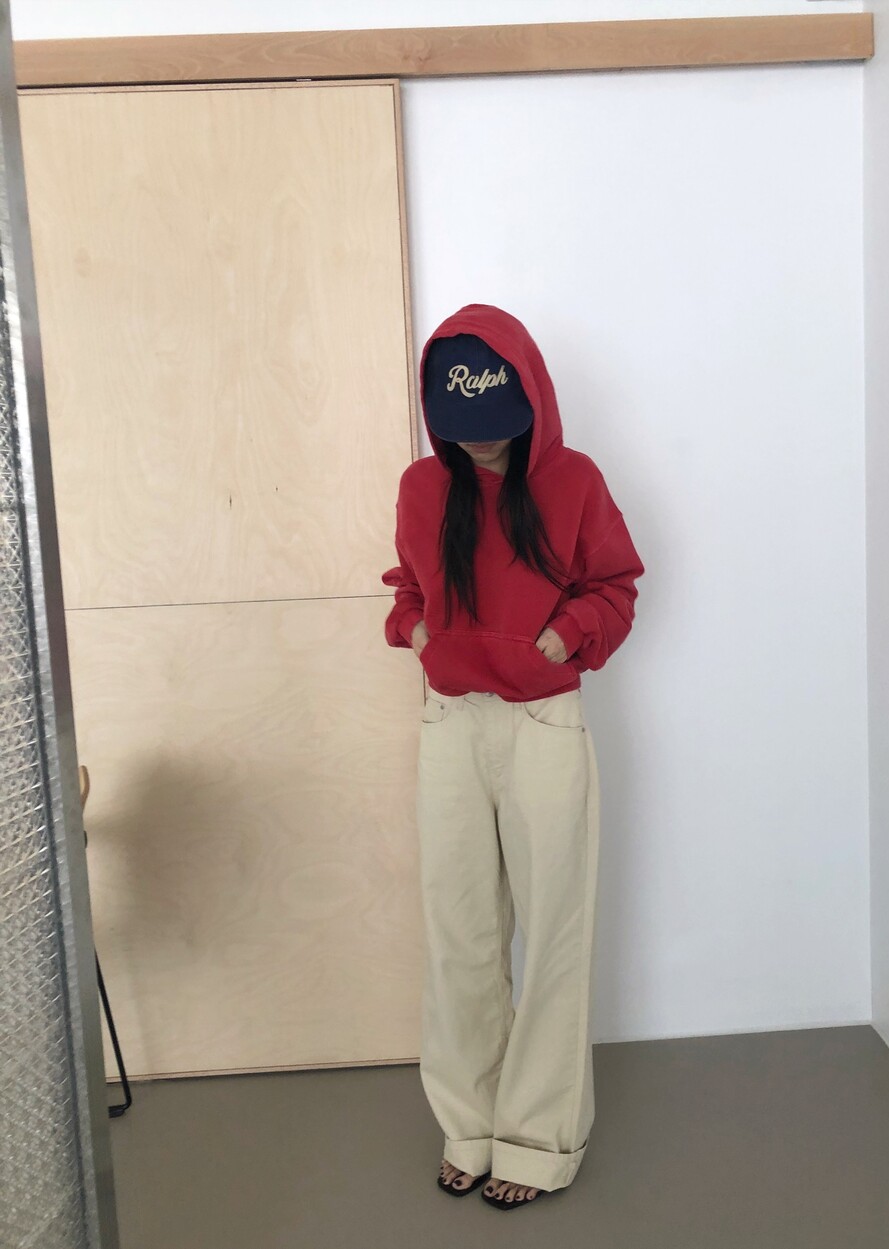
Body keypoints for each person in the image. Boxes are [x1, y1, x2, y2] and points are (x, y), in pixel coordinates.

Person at [382, 303, 644, 1211]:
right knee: (459, 931)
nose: (482, 443)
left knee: (554, 932)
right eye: (464, 427)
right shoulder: (423, 486)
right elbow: (409, 582)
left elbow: (615, 584)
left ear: (531, 397)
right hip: (451, 722)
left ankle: (537, 1139)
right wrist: (418, 631)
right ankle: (469, 1124)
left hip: (542, 724)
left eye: (496, 423)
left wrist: (562, 638)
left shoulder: (574, 481)